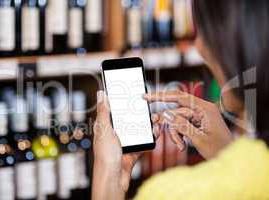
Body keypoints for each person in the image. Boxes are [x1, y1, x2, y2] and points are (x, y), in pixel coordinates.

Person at [92, 0, 269, 199]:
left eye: (204, 29)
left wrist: (108, 174)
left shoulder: (169, 193)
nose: (199, 45)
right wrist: (227, 153)